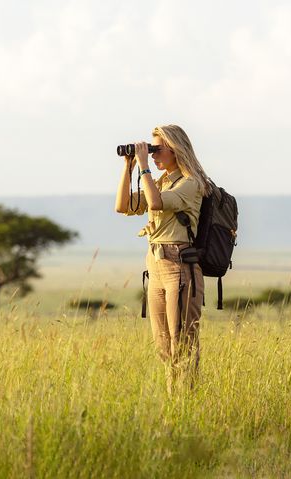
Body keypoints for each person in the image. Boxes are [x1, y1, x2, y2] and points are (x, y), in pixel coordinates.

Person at [115, 125, 211, 392]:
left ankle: (187, 402)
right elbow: (122, 206)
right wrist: (129, 166)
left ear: (175, 149)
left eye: (158, 149)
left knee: (182, 342)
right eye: (151, 149)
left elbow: (155, 204)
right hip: (155, 269)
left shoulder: (191, 183)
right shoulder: (160, 182)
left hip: (180, 268)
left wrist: (144, 165)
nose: (154, 155)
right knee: (163, 346)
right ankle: (173, 401)